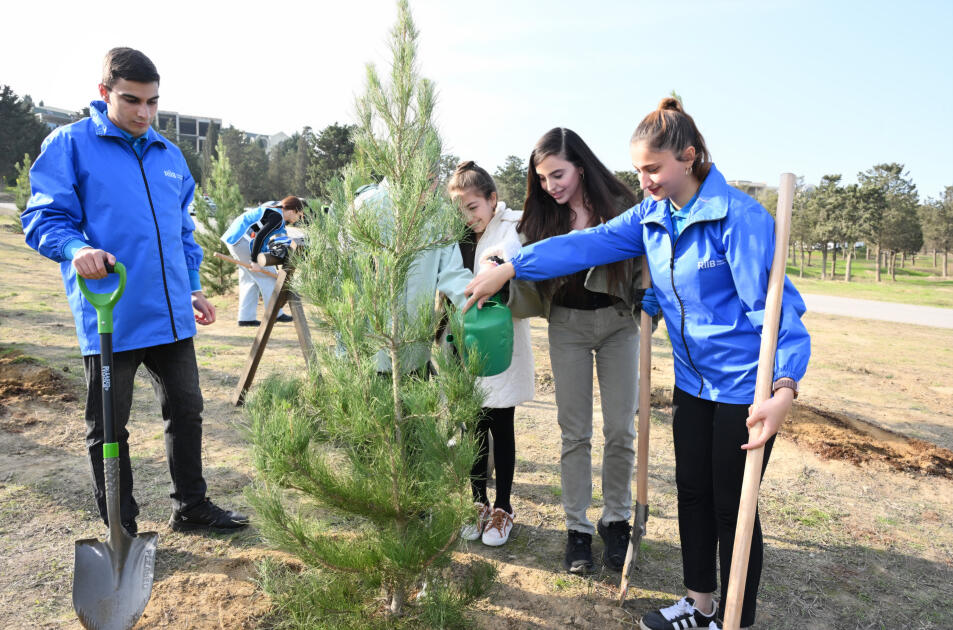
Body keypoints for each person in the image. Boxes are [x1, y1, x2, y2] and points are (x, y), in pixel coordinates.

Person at [465, 98, 811, 630]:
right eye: (638, 170)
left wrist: (783, 389)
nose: (644, 180)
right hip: (693, 385)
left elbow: (777, 310)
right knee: (693, 495)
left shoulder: (738, 218)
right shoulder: (654, 215)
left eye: (653, 168)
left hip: (746, 388)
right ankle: (699, 606)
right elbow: (585, 245)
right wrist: (512, 267)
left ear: (690, 157)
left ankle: (736, 620)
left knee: (731, 510)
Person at [22, 47, 248, 535]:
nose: (144, 113)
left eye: (152, 102)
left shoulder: (169, 155)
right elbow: (42, 217)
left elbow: (181, 231)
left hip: (170, 312)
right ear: (105, 94)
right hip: (112, 314)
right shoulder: (70, 144)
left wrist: (191, 286)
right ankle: (120, 528)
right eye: (131, 101)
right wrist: (75, 248)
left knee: (187, 410)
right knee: (108, 427)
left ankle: (191, 506)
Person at [496, 128, 648, 573]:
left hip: (620, 325)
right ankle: (577, 529)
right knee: (574, 433)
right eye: (542, 179)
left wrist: (646, 293)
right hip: (567, 327)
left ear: (580, 166)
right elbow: (512, 252)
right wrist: (494, 267)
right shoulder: (541, 219)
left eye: (558, 174)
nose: (551, 186)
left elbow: (650, 256)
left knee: (621, 430)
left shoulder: (621, 208)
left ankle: (616, 521)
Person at [447, 161, 534, 547]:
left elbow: (503, 256)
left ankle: (503, 507)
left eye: (473, 208)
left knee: (502, 421)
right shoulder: (457, 235)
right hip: (469, 339)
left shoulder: (509, 227)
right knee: (475, 423)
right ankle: (477, 502)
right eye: (461, 210)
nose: (469, 217)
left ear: (492, 200)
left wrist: (493, 266)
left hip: (502, 340)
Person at [220, 196, 304, 326]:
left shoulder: (275, 207)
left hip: (234, 237)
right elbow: (260, 237)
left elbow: (281, 237)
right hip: (241, 240)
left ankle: (246, 318)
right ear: (292, 211)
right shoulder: (277, 217)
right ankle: (275, 314)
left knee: (249, 279)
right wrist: (254, 261)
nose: (298, 219)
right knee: (267, 276)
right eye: (299, 215)